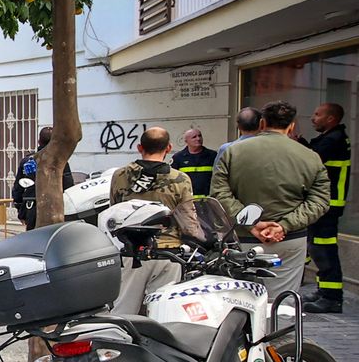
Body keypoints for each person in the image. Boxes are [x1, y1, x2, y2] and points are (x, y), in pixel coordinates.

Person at [210, 101, 330, 304]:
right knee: (280, 305)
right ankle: (276, 334)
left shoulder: (233, 152)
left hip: (243, 237)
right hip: (288, 238)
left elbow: (219, 193)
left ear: (262, 123)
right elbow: (320, 200)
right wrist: (284, 225)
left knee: (240, 302)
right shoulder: (310, 157)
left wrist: (251, 223)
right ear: (291, 125)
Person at [110, 127, 203, 315]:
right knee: (162, 312)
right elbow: (188, 222)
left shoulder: (120, 175)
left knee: (124, 310)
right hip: (168, 254)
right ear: (168, 148)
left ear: (139, 147)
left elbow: (114, 210)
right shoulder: (180, 179)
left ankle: (115, 343)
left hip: (131, 251)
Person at [305, 102, 352, 313]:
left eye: (317, 114)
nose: (313, 118)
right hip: (324, 203)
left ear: (331, 119)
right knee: (318, 249)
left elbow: (310, 161)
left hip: (328, 205)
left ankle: (332, 297)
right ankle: (324, 290)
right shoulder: (330, 139)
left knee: (324, 250)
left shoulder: (333, 140)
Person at [12, 126, 75, 230]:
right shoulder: (61, 162)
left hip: (31, 207)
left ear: (38, 141)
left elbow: (18, 188)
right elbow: (69, 187)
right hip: (55, 209)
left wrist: (20, 210)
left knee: (33, 240)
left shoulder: (27, 161)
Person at [171, 128, 216, 200]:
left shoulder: (213, 156)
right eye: (194, 137)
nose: (198, 139)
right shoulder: (178, 158)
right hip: (186, 201)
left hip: (208, 202)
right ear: (186, 141)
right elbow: (172, 181)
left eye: (199, 136)